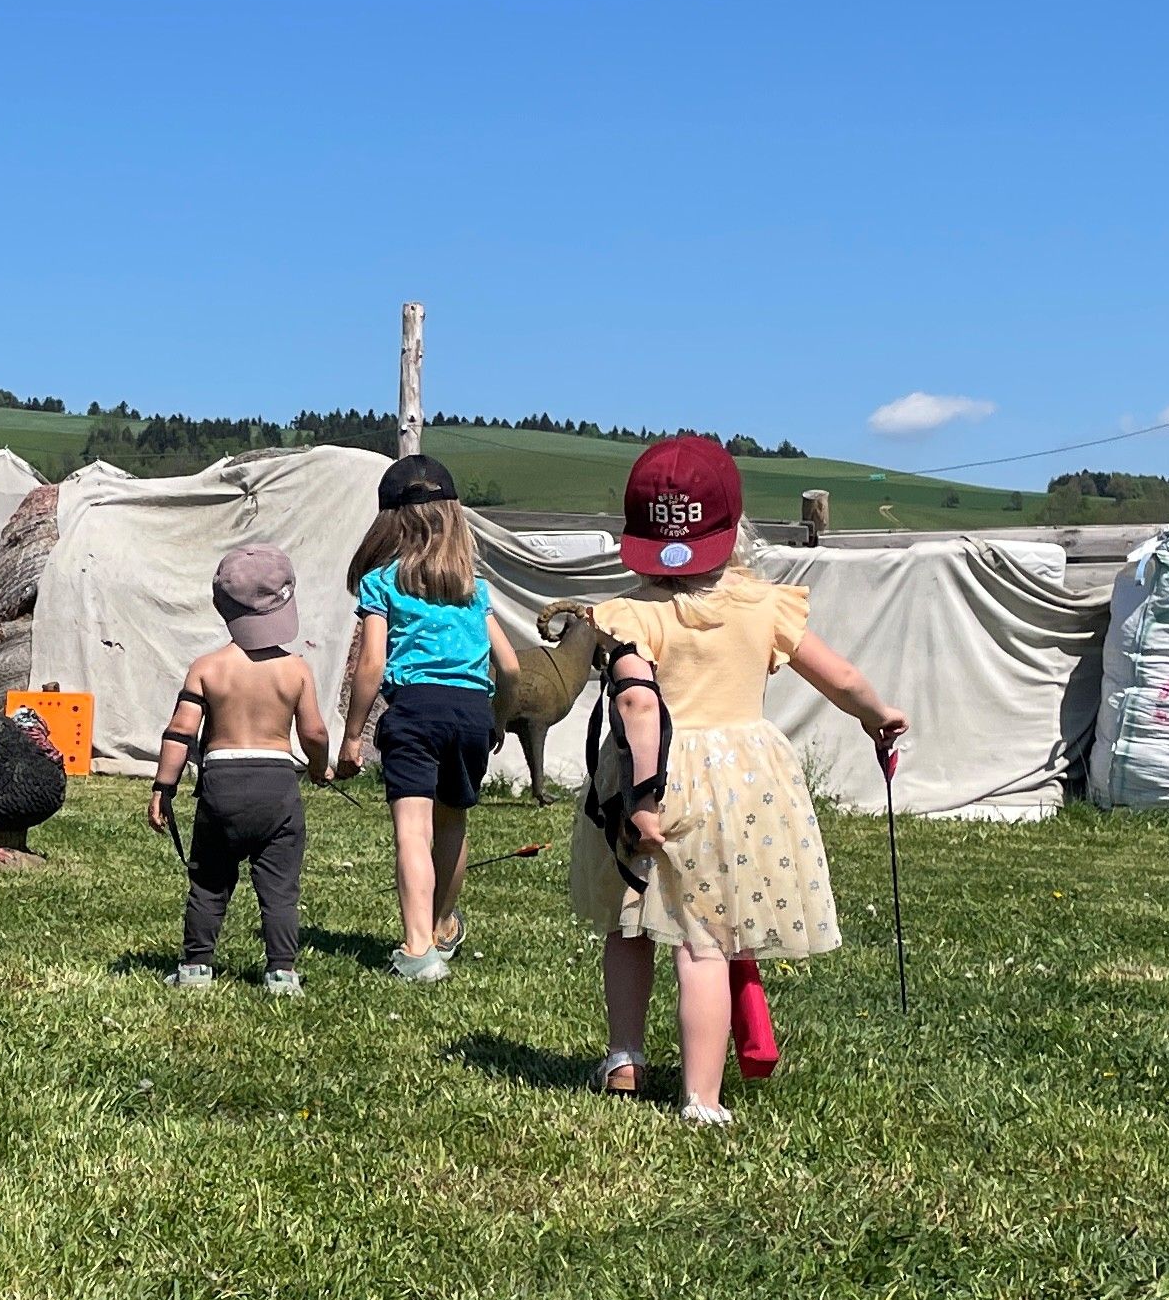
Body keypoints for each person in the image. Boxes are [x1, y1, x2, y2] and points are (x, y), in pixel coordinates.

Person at [572, 434, 905, 1124]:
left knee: (631, 923)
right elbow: (838, 676)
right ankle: (702, 1096)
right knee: (707, 942)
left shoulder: (634, 614)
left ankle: (626, 1057)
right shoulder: (764, 606)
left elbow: (635, 702)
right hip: (740, 784)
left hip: (653, 772)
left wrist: (641, 794)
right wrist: (879, 715)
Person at [336, 454, 517, 982]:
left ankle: (418, 950)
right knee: (453, 822)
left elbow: (371, 664)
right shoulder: (473, 589)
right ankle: (439, 924)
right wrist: (498, 720)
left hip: (414, 710)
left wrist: (353, 736)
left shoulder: (382, 582)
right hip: (470, 711)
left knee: (412, 833)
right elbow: (508, 666)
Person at [149, 543, 336, 992]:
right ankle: (281, 971)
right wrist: (318, 767)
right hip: (277, 786)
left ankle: (195, 968)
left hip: (222, 786)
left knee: (209, 880)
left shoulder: (208, 668)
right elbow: (313, 733)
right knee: (279, 887)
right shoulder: (296, 670)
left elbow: (180, 732)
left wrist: (163, 789)